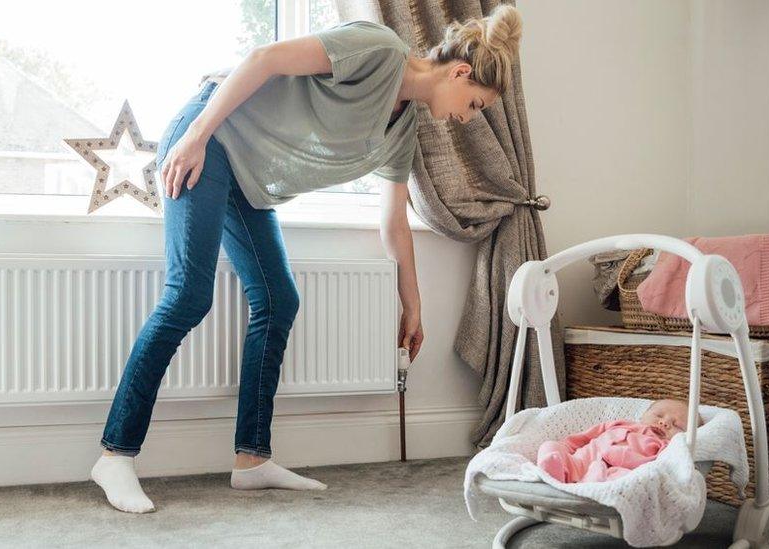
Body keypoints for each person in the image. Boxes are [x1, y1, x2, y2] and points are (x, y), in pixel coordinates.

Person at [91, 4, 524, 513]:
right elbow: (264, 58)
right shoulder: (379, 50)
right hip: (208, 140)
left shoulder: (404, 129)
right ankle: (115, 453)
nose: (466, 118)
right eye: (473, 105)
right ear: (459, 72)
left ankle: (251, 460)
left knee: (279, 301)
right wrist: (196, 135)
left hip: (245, 183)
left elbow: (394, 221)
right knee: (188, 295)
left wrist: (414, 305)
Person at [536, 399, 705, 484]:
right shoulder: (621, 423)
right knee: (550, 446)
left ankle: (589, 489)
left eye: (677, 425)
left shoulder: (666, 446)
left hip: (617, 473)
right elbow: (585, 437)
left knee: (630, 481)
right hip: (581, 462)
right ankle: (554, 470)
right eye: (659, 415)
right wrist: (566, 448)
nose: (665, 422)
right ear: (644, 415)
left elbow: (663, 466)